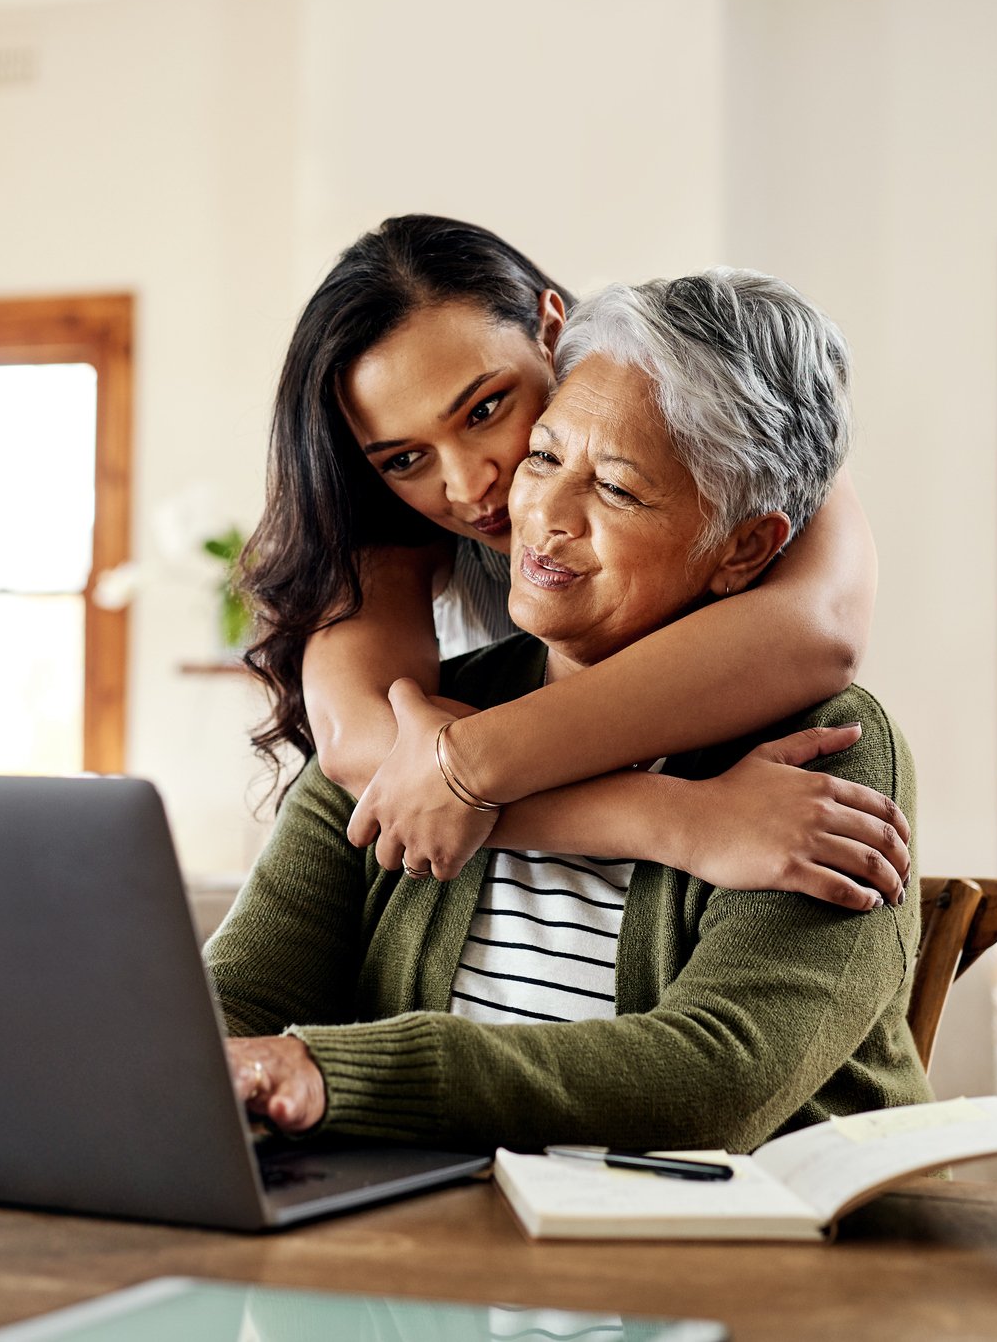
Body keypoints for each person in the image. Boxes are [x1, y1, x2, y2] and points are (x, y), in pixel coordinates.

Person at [208, 271, 931, 1151]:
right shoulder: (420, 723)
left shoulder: (833, 747)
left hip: (734, 1268)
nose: (536, 514)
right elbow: (234, 1000)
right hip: (441, 1259)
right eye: (544, 458)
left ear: (744, 549)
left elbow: (716, 1081)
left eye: (619, 490)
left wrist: (337, 1074)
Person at [240, 216, 907, 907]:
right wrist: (676, 820)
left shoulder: (715, 404)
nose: (470, 486)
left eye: (485, 409)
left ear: (551, 330)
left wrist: (469, 764)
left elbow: (817, 631)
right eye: (407, 458)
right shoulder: (386, 523)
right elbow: (364, 748)